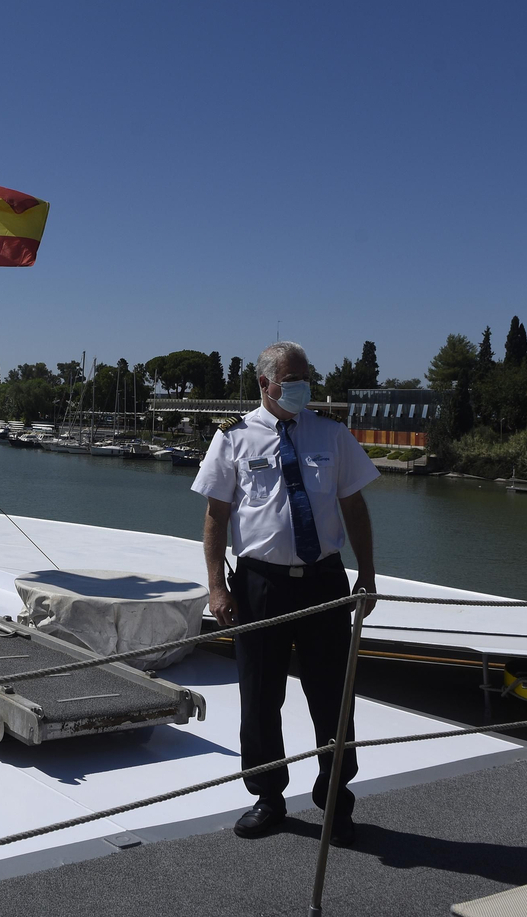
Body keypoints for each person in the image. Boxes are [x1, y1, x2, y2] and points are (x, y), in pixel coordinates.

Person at [191, 340, 379, 845]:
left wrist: (368, 573)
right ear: (264, 384)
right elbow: (216, 516)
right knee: (259, 697)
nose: (300, 386)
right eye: (290, 378)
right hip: (259, 585)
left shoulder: (332, 435)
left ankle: (336, 799)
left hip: (324, 582)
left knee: (332, 697)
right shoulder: (233, 438)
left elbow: (354, 506)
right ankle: (269, 795)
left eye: (305, 376)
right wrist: (215, 585)